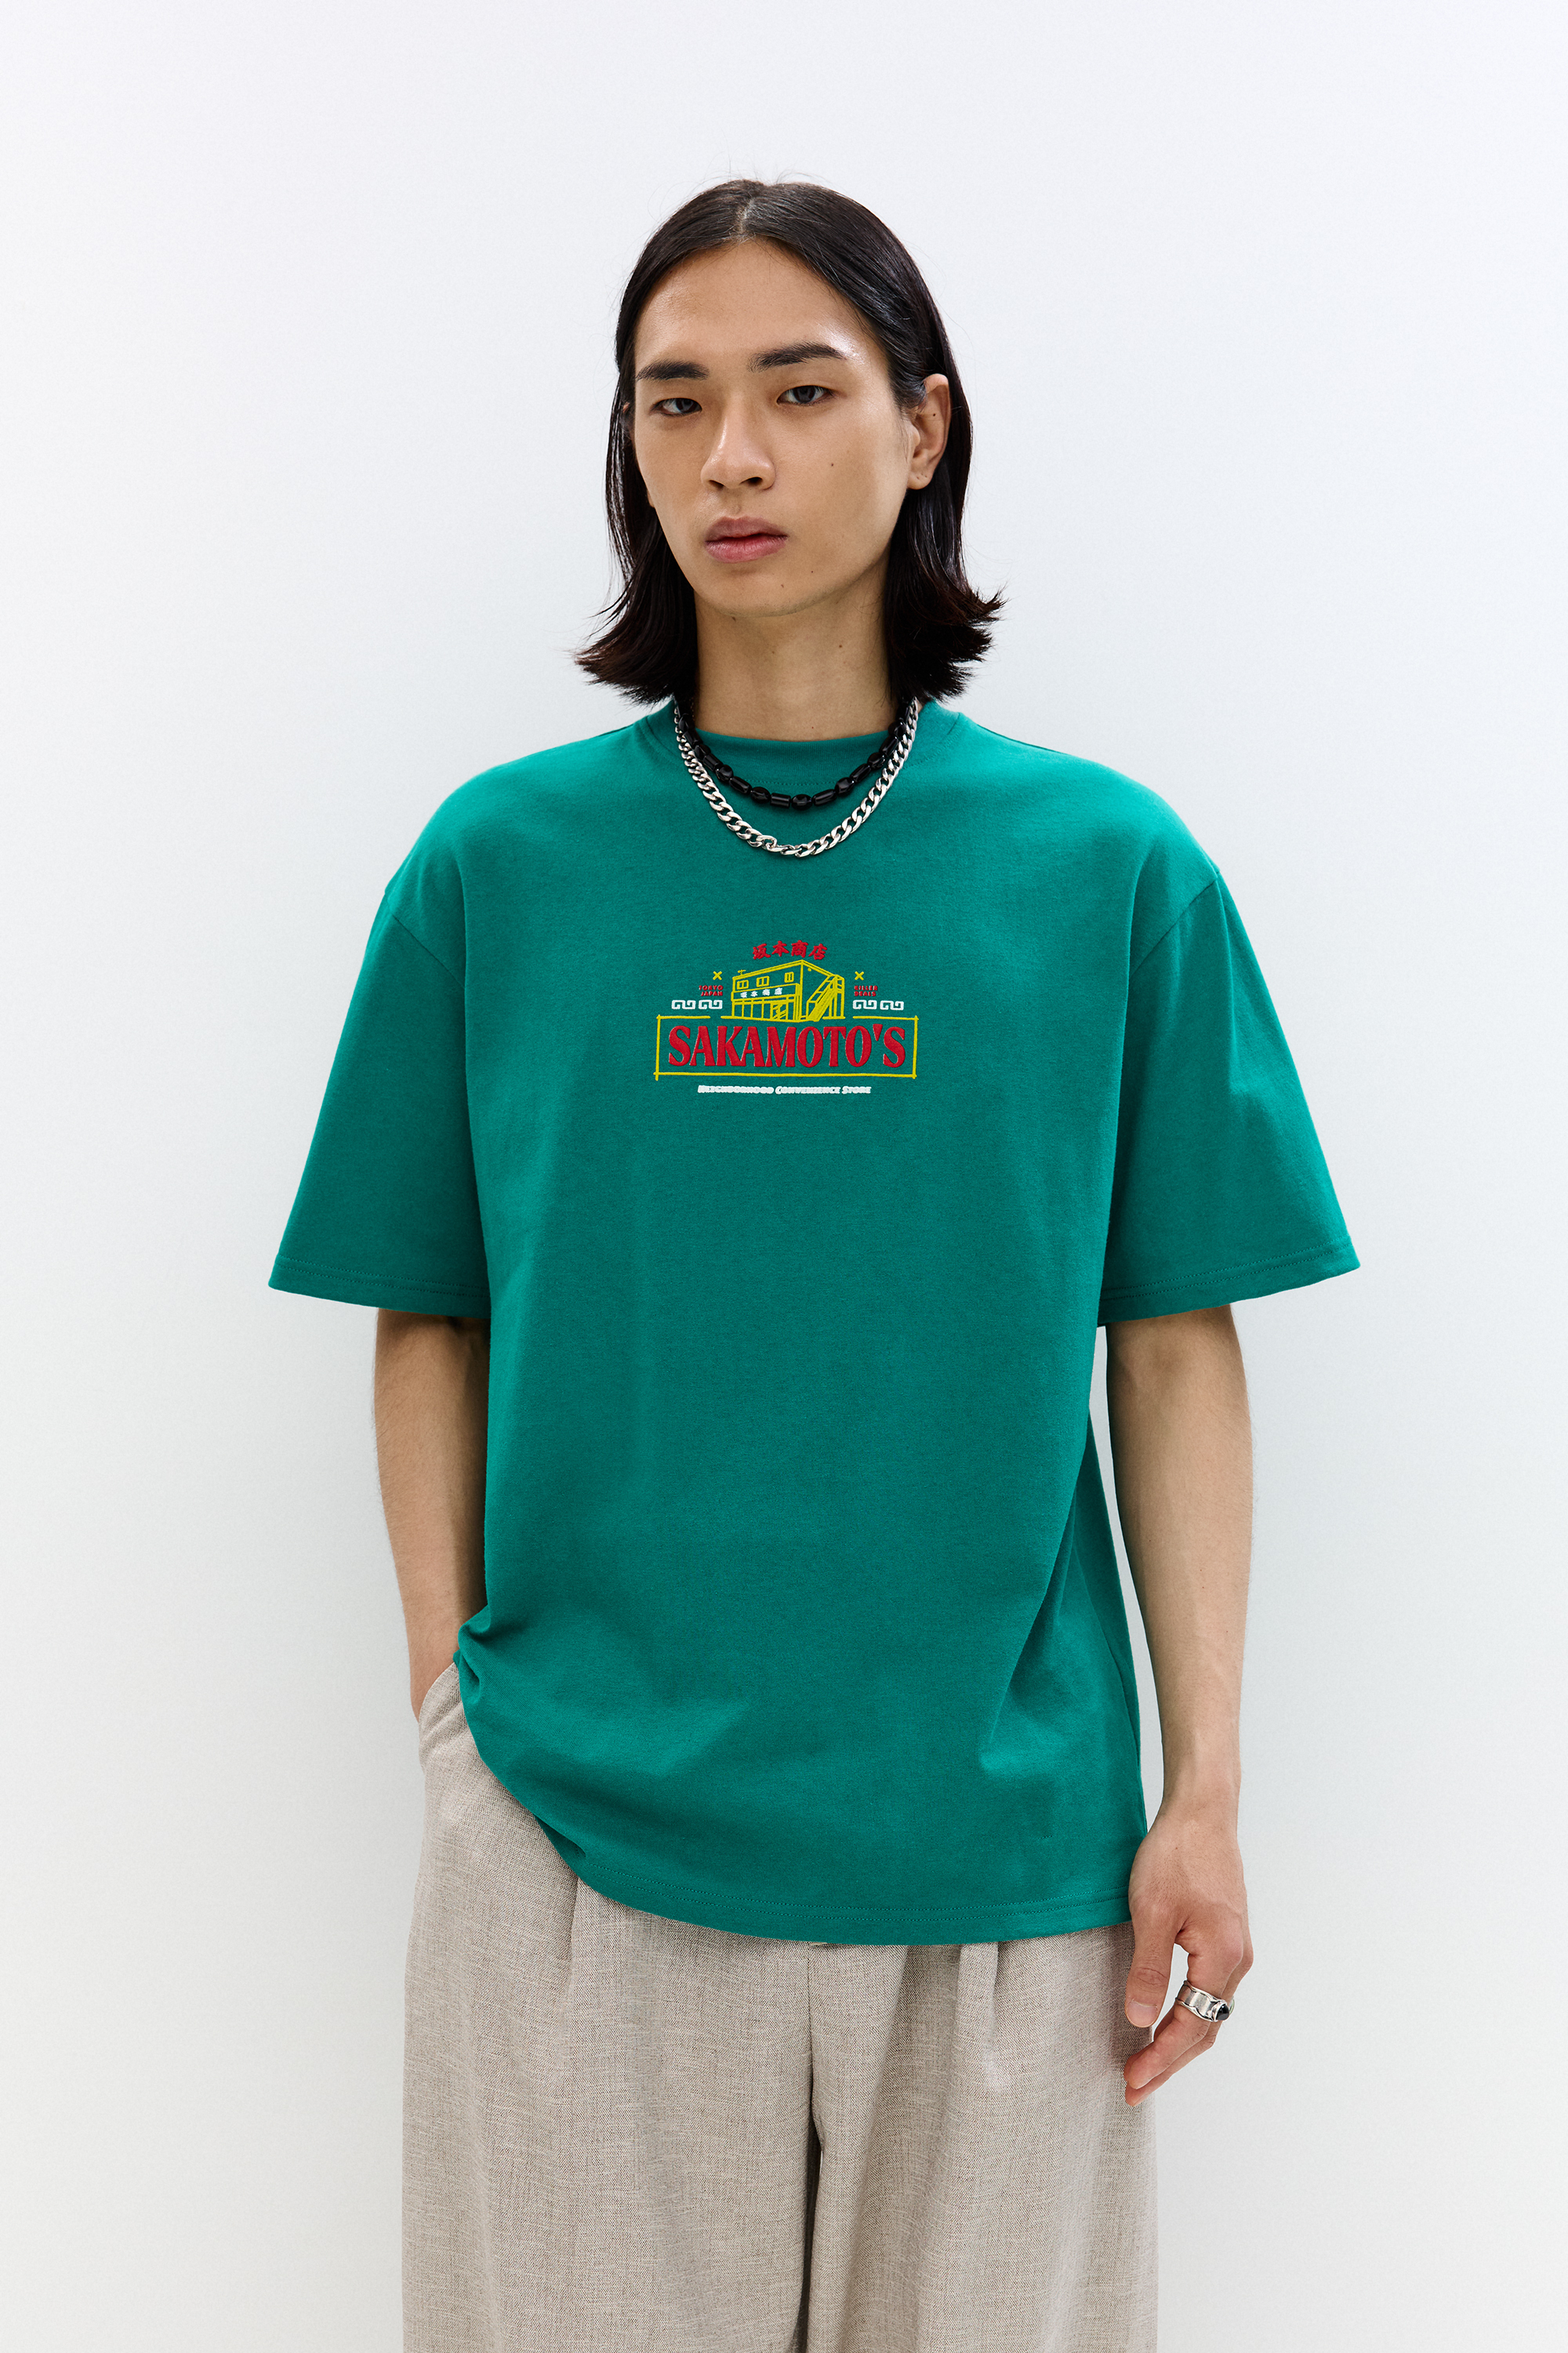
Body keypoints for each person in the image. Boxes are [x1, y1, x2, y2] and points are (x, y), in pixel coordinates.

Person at [270, 179, 1357, 2353]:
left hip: (1007, 1861)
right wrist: (452, 1732)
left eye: (798, 390)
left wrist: (1204, 1791)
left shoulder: (1109, 872)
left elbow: (1172, 1347)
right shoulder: (499, 868)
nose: (731, 456)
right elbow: (427, 1310)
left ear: (924, 427)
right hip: (577, 1842)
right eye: (674, 401)